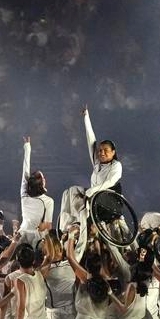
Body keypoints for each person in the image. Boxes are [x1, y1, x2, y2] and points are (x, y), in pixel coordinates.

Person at [58, 107, 123, 257]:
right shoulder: (97, 163)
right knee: (70, 191)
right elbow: (91, 141)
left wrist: (91, 192)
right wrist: (86, 118)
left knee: (83, 203)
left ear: (113, 152)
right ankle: (66, 225)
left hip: (109, 198)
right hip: (94, 195)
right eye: (100, 150)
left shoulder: (116, 166)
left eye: (105, 150)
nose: (101, 152)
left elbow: (109, 183)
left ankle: (80, 227)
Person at [19, 136, 54, 247]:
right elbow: (47, 226)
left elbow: (25, 170)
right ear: (42, 184)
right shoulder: (48, 201)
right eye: (43, 178)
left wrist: (27, 147)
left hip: (21, 235)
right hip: (37, 239)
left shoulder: (24, 194)